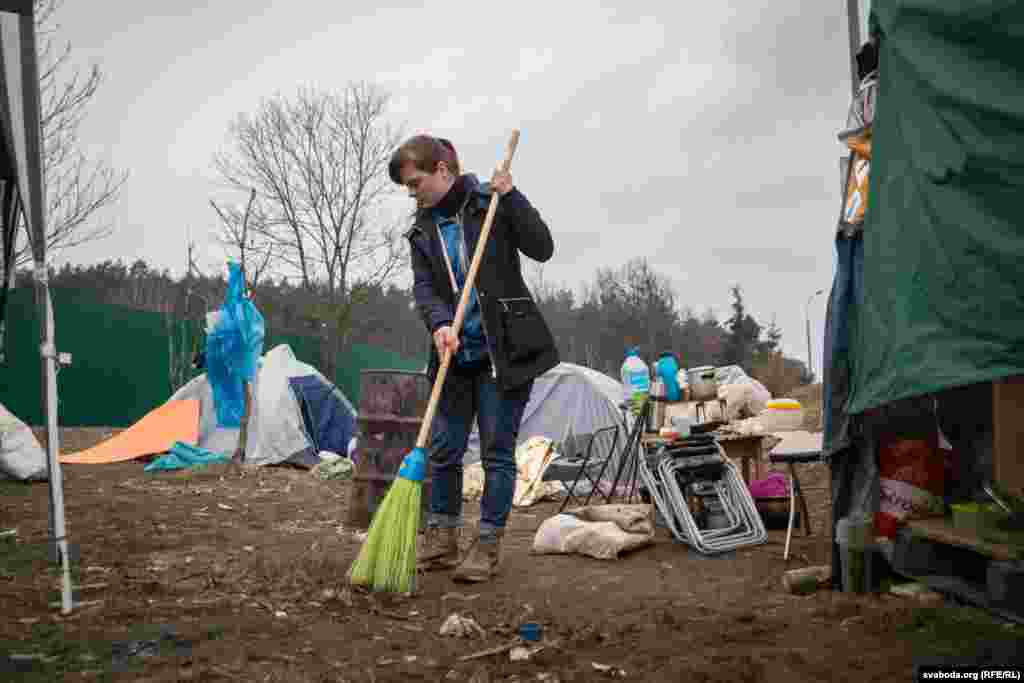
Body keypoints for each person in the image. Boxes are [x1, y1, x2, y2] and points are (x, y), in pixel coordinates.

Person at [389, 134, 559, 583]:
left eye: (416, 181)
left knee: (496, 454)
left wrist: (512, 196)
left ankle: (486, 544)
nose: (412, 192)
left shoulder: (490, 203)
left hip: (503, 352)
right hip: (455, 353)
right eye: (407, 186)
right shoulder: (421, 230)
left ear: (443, 170)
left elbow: (542, 247)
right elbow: (424, 288)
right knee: (443, 450)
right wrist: (441, 324)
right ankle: (442, 538)